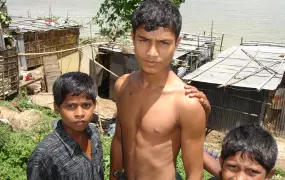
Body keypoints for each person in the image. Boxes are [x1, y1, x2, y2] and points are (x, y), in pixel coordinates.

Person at [110, 0, 207, 179]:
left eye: (163, 43)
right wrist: (114, 176)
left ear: (177, 42)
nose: (152, 53)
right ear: (132, 37)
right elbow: (118, 139)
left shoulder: (186, 102)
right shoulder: (122, 86)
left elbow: (194, 173)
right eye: (143, 40)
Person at [26, 72, 104, 180]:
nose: (80, 113)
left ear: (94, 105)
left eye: (86, 105)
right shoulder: (44, 156)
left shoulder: (93, 134)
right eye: (70, 106)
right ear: (57, 108)